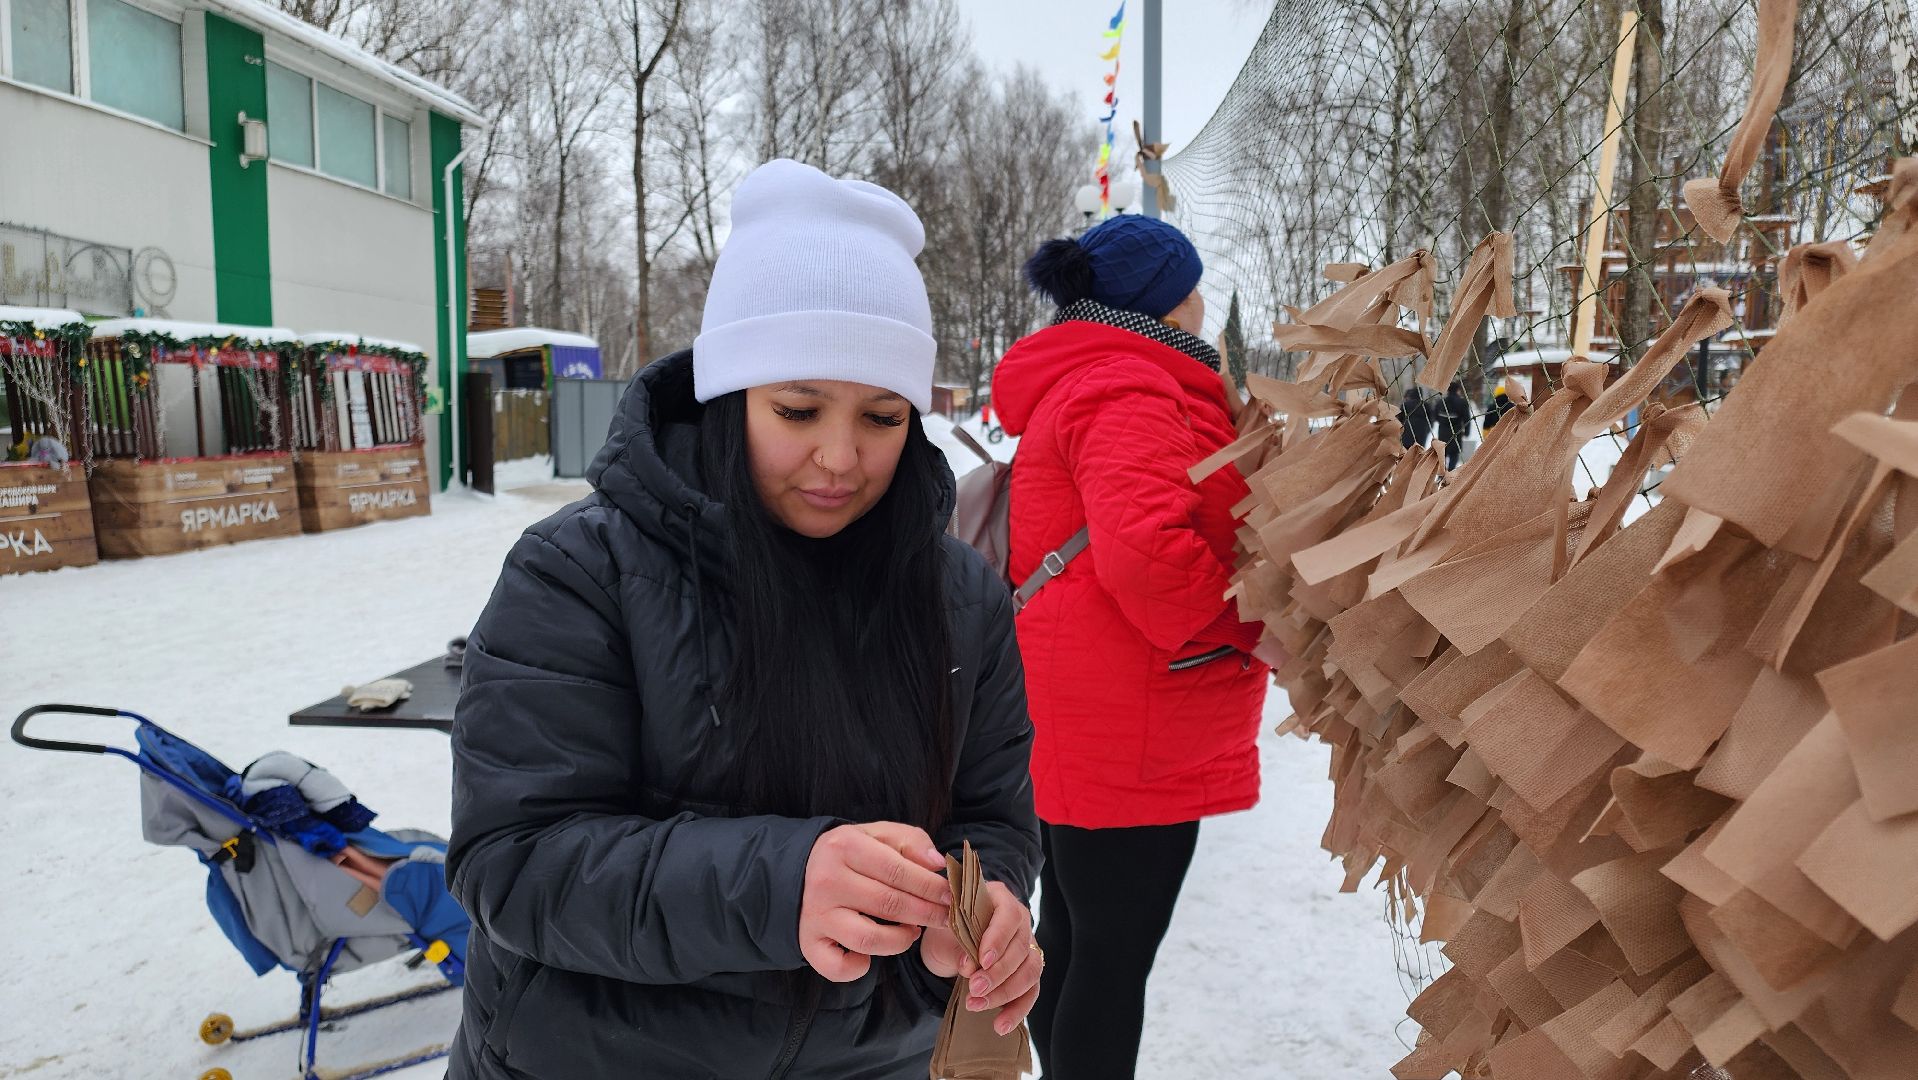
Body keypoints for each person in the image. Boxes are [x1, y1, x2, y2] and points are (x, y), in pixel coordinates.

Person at [445, 159, 1043, 1079]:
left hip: (879, 1059)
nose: (840, 458)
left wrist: (988, 905)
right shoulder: (581, 570)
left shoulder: (958, 596)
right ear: (729, 396)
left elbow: (991, 816)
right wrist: (782, 883)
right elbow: (515, 863)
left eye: (883, 418)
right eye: (798, 409)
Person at [992, 215, 1279, 1080]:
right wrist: (1259, 621)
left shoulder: (1098, 376)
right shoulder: (1131, 385)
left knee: (1077, 940)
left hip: (1090, 710)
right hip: (1133, 722)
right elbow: (1148, 556)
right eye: (1192, 284)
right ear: (1165, 296)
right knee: (1112, 957)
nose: (1201, 301)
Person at [1436, 380, 1474, 469]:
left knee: (1443, 453)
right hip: (1456, 432)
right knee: (1454, 453)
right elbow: (1467, 419)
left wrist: (1443, 421)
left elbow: (1436, 416)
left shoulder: (1441, 402)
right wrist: (1467, 432)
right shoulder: (1462, 403)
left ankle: (1442, 473)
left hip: (1442, 432)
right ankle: (1450, 473)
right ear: (1457, 390)